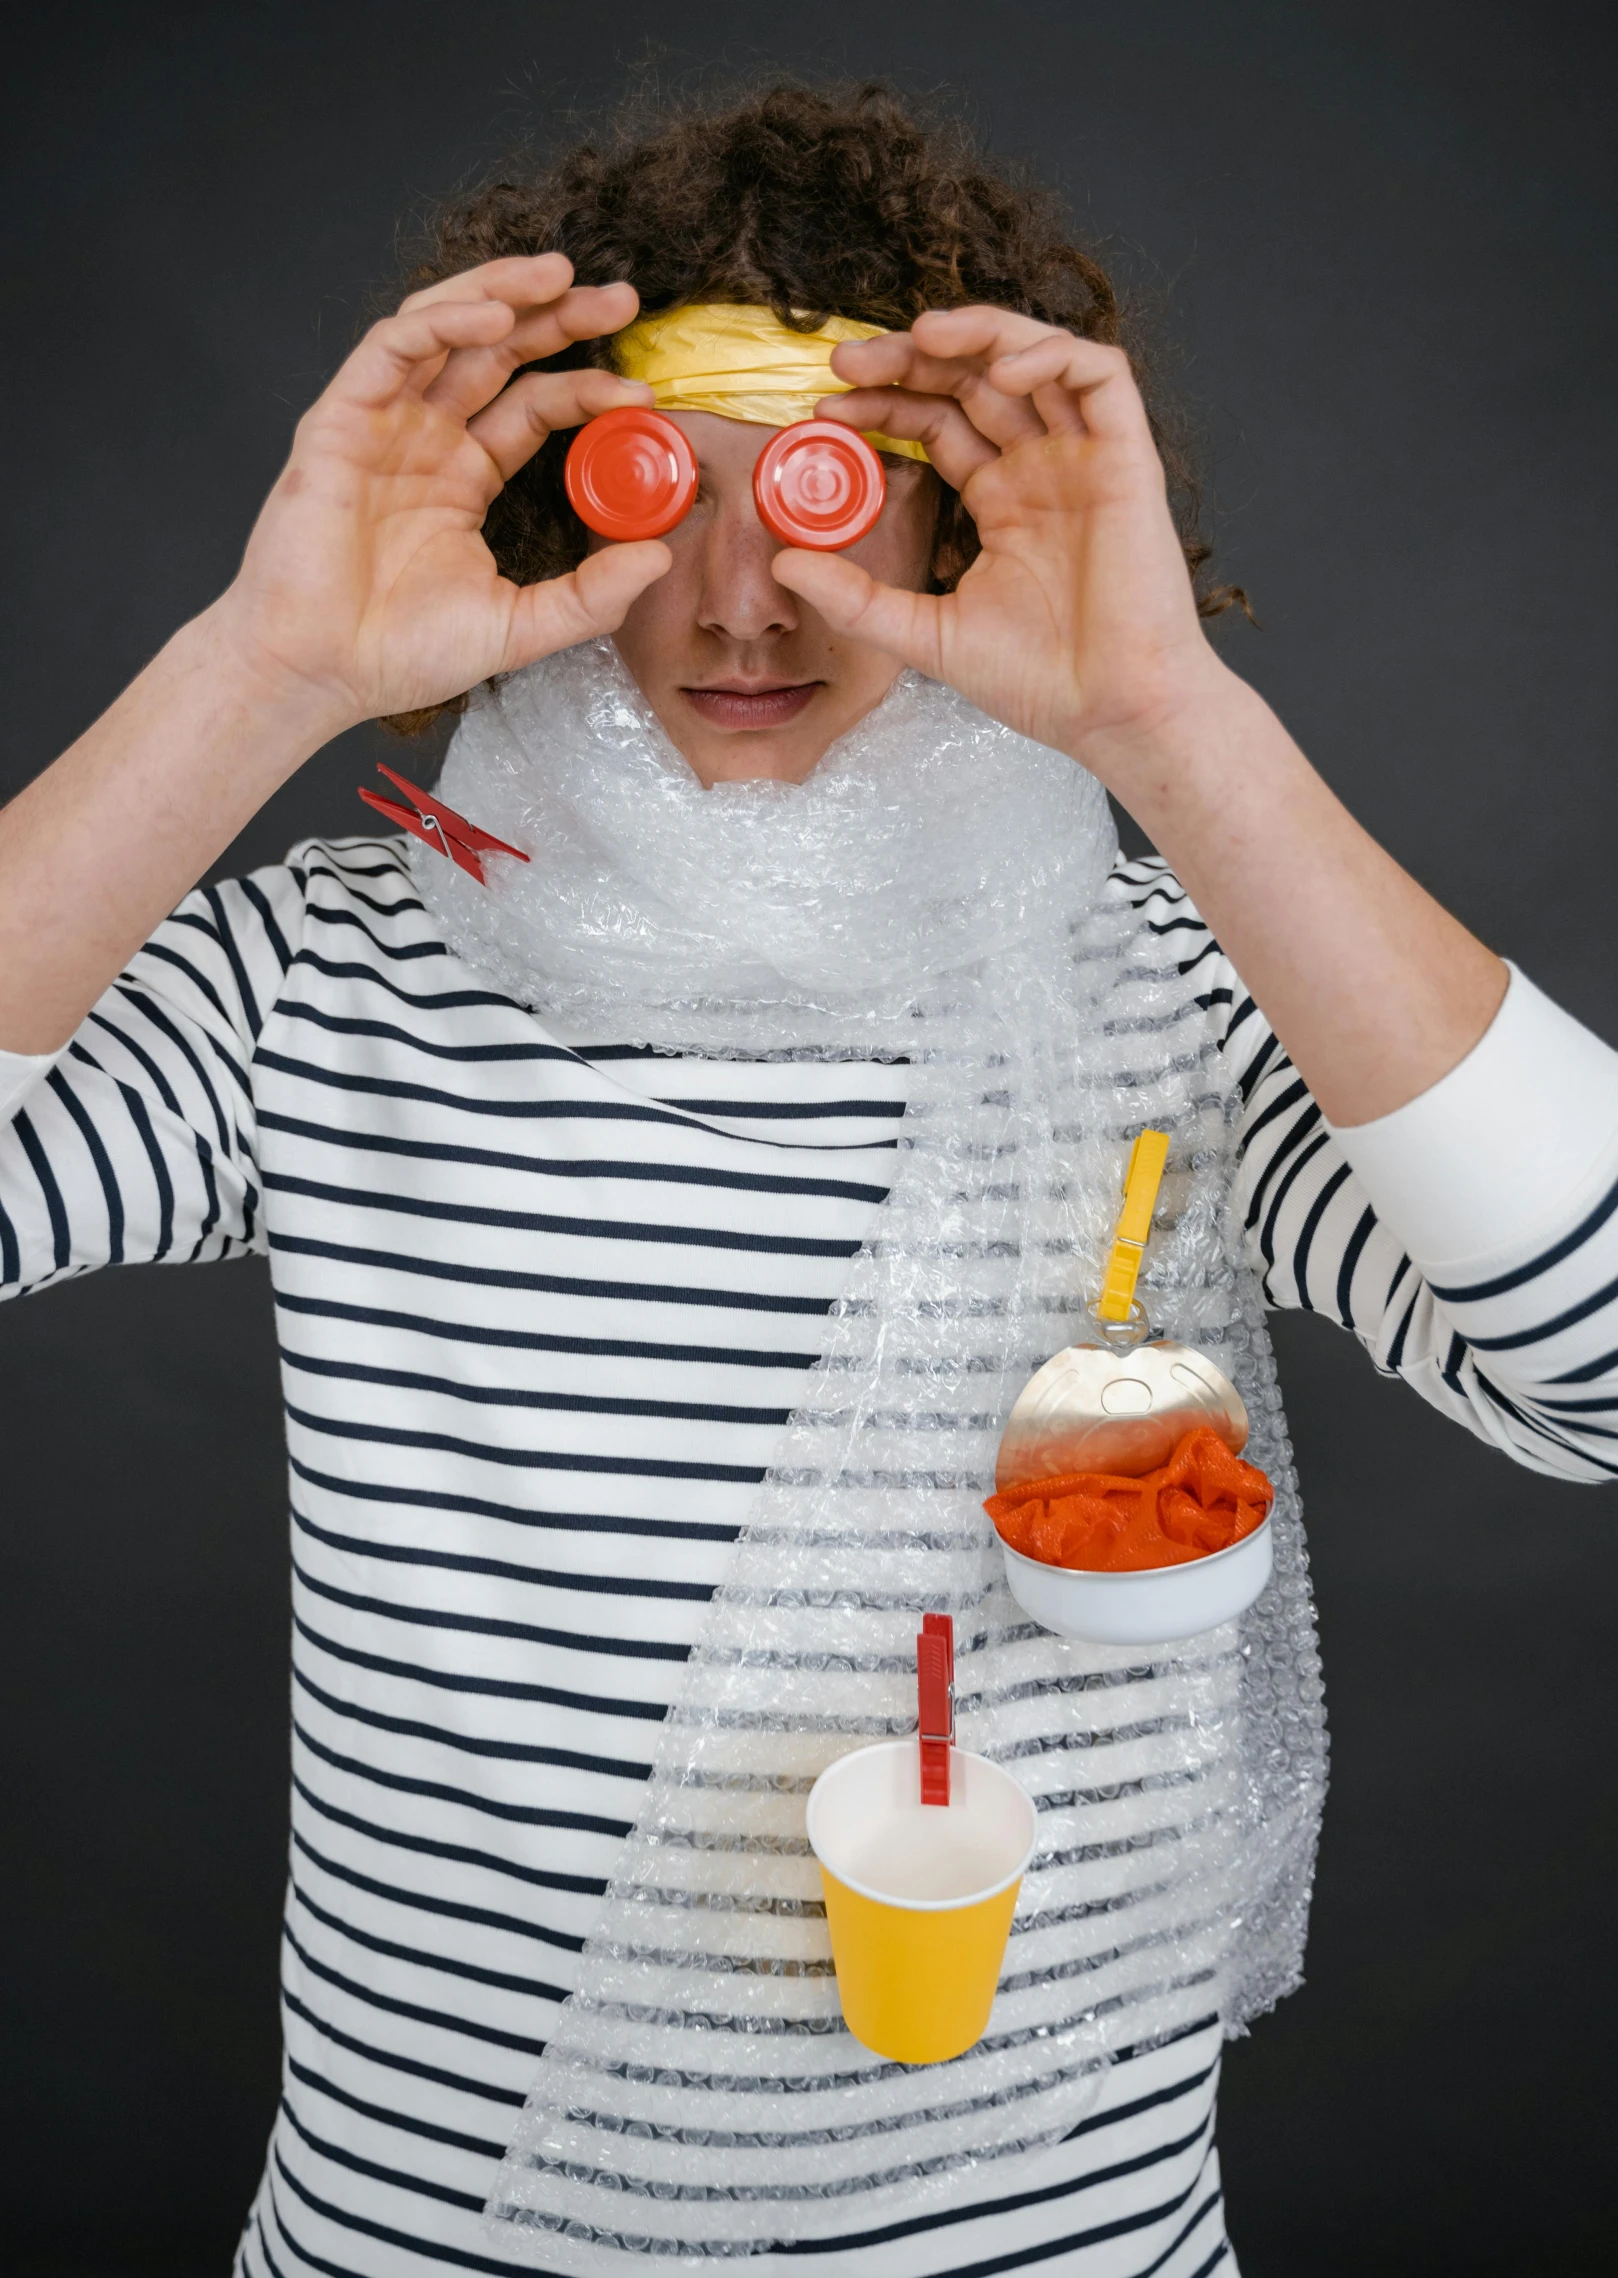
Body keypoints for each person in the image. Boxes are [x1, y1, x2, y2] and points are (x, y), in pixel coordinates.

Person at [3, 81, 1616, 2278]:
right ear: (551, 505)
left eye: (833, 503)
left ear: (953, 521)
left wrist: (1171, 722)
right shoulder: (341, 965)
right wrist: (254, 667)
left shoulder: (1179, 984)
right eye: (664, 498)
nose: (744, 599)